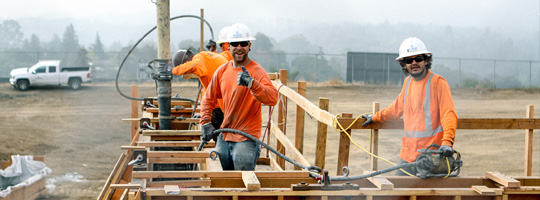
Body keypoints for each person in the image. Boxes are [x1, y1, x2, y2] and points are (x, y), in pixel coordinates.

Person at [361, 37, 457, 176]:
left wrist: (447, 142)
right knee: (398, 193)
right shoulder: (408, 83)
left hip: (431, 156)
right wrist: (375, 117)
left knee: (426, 196)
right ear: (404, 65)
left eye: (418, 58)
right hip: (407, 155)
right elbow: (395, 110)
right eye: (408, 60)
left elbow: (449, 114)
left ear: (425, 60)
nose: (414, 63)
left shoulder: (438, 83)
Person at [199, 23, 278, 170]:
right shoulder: (222, 71)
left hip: (246, 138)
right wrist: (205, 122)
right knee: (222, 178)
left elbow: (273, 98)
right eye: (235, 43)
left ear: (249, 46)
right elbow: (208, 99)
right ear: (229, 46)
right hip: (225, 135)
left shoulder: (257, 71)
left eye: (243, 43)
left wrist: (252, 84)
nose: (239, 47)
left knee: (242, 183)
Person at [171, 49, 228, 129]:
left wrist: (173, 70)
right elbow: (206, 93)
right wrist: (203, 113)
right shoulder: (205, 56)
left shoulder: (198, 60)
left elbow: (194, 65)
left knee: (222, 135)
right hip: (227, 97)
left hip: (225, 103)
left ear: (186, 61)